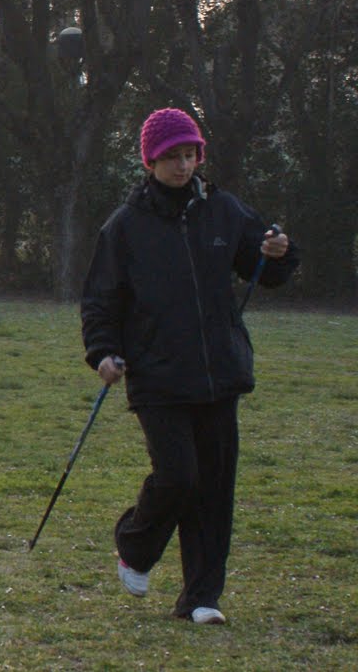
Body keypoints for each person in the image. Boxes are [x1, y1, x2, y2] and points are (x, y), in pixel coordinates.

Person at [81, 107, 298, 626]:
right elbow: (101, 299)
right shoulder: (125, 226)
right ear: (150, 162)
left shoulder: (224, 209)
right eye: (172, 157)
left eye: (190, 155)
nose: (183, 166)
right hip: (157, 374)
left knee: (215, 489)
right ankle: (135, 546)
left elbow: (265, 268)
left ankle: (201, 598)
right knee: (178, 475)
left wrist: (278, 250)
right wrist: (103, 352)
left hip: (219, 372)